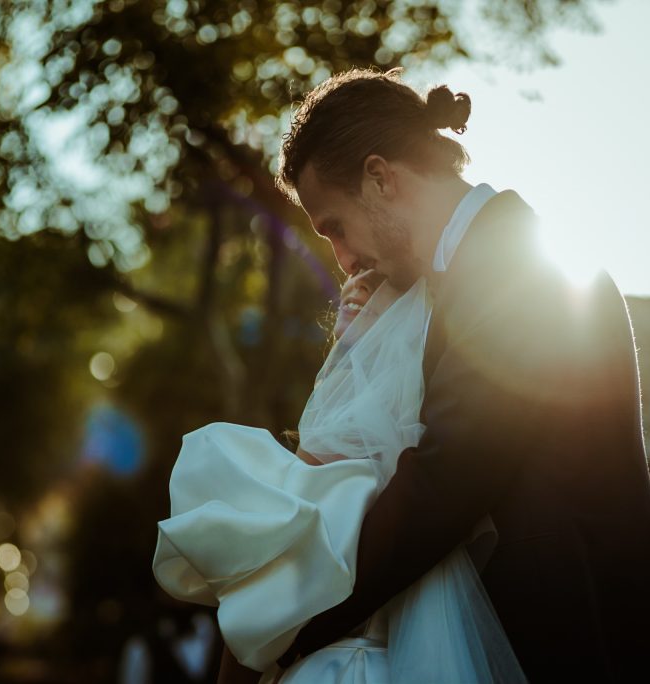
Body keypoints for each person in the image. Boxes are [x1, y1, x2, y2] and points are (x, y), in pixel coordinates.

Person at [272, 68, 650, 682]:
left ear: (380, 178)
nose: (343, 257)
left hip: (575, 653)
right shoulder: (455, 284)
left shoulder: (518, 268)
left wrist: (295, 617)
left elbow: (449, 477)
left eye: (334, 226)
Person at [153, 264, 524, 682]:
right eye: (354, 270)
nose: (357, 279)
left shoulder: (351, 430)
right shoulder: (427, 427)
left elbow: (268, 601)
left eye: (384, 276)